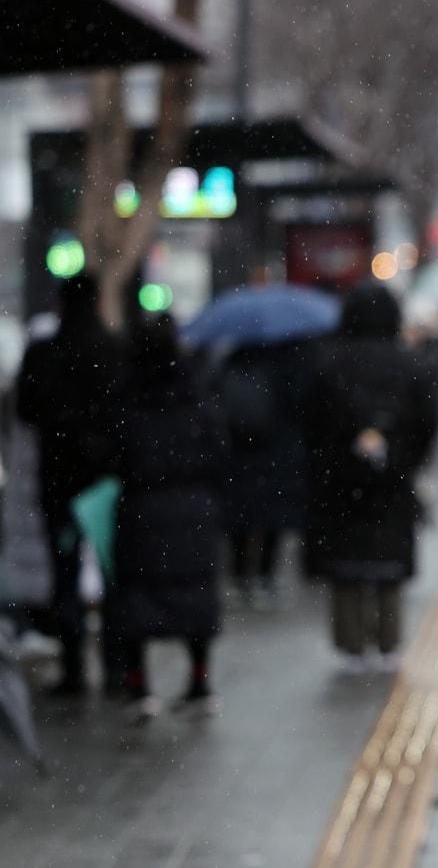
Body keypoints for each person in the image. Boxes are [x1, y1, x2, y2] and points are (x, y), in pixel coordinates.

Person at [305, 284, 438, 670]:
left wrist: (338, 455)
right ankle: (387, 641)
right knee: (389, 563)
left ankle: (350, 645)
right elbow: (428, 421)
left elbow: (311, 425)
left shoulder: (329, 363)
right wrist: (403, 458)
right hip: (393, 482)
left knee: (346, 566)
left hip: (340, 483)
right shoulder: (409, 364)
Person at [107, 314, 226, 719]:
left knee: (136, 593)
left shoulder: (127, 395)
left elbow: (113, 452)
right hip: (193, 507)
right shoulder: (195, 391)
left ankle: (139, 686)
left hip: (142, 507)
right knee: (195, 594)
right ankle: (199, 681)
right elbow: (218, 450)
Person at [15, 273, 125, 694]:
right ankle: (116, 668)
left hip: (59, 480)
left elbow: (26, 410)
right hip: (105, 484)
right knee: (112, 574)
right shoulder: (114, 349)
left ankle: (74, 668)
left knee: (65, 576)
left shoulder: (45, 353)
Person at [215, 341, 310, 606]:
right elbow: (297, 406)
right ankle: (264, 576)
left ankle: (237, 575)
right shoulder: (285, 363)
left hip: (238, 456)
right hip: (275, 455)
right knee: (272, 518)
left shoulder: (229, 362)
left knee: (239, 518)